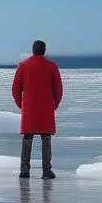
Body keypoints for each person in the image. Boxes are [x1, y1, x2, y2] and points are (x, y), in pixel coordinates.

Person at [12, 39, 63, 179]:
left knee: (27, 138)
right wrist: (55, 104)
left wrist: (21, 104)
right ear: (44, 50)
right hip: (46, 107)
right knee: (46, 138)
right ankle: (46, 171)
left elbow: (16, 88)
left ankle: (24, 171)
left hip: (29, 107)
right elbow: (58, 88)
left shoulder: (24, 65)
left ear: (33, 50)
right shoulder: (51, 66)